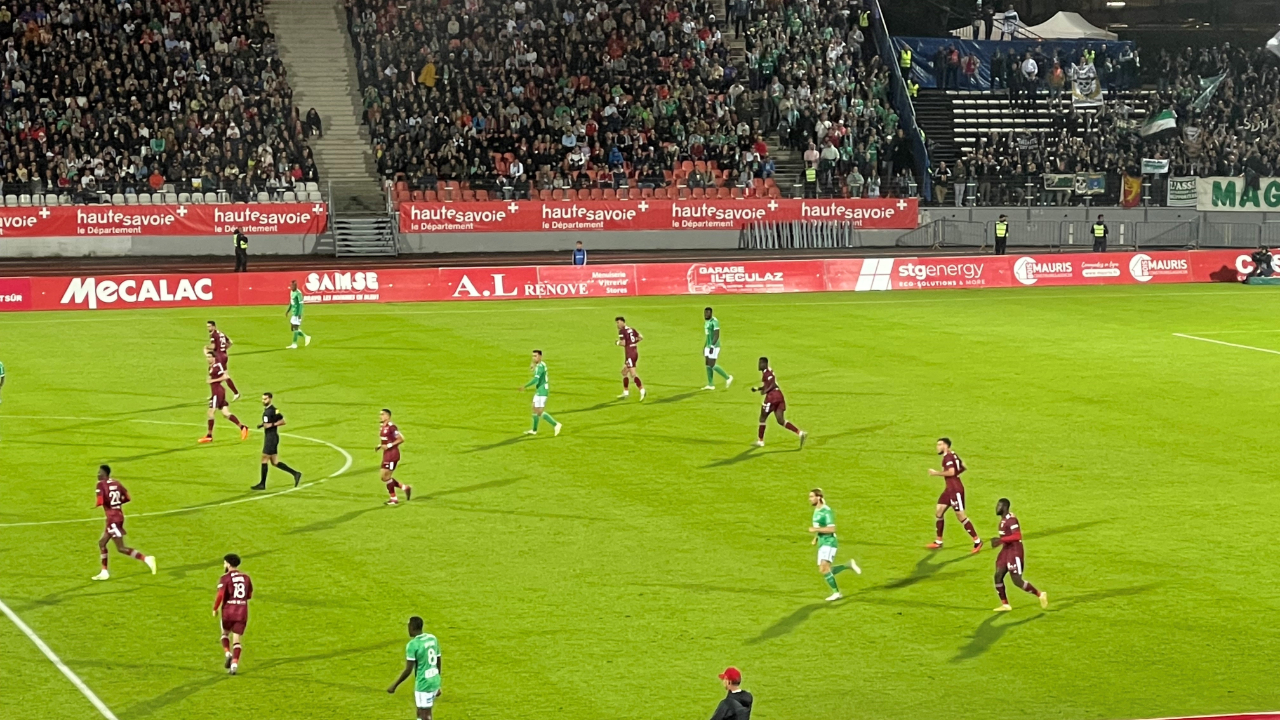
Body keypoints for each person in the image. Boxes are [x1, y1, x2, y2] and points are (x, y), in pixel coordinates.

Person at [91, 465, 157, 580]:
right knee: (102, 543)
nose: (98, 474)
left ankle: (146, 559)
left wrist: (97, 505)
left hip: (113, 519)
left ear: (105, 474)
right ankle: (104, 572)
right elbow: (127, 497)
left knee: (121, 548)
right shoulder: (117, 483)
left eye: (100, 472)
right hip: (117, 517)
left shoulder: (101, 484)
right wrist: (117, 504)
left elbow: (100, 501)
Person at [990, 498, 1049, 612]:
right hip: (1006, 550)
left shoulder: (1011, 520)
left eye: (999, 505)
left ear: (1005, 507)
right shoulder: (1003, 520)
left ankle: (1040, 594)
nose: (997, 508)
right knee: (998, 575)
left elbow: (1017, 536)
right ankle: (1005, 605)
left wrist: (1000, 540)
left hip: (1014, 551)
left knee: (1017, 580)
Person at [926, 438, 982, 552]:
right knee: (939, 511)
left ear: (945, 446)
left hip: (955, 490)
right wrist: (956, 474)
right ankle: (938, 541)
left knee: (960, 516)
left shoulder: (947, 457)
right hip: (949, 489)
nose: (937, 447)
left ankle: (977, 541)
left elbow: (951, 472)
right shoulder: (953, 455)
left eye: (939, 444)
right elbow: (963, 467)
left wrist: (936, 473)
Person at [808, 488, 860, 601]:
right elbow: (820, 527)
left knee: (824, 569)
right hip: (822, 543)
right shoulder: (817, 510)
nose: (810, 499)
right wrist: (816, 538)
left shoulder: (826, 511)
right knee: (823, 569)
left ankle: (837, 593)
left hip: (829, 542)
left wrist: (815, 530)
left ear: (819, 497)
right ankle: (848, 565)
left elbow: (832, 528)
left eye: (812, 496)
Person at [387, 616, 442, 720]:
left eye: (408, 626)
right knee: (420, 712)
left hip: (423, 684)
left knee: (425, 714)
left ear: (412, 627)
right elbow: (438, 660)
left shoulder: (413, 645)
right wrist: (438, 683)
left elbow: (408, 670)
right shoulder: (432, 639)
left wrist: (394, 685)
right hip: (434, 680)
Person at [752, 357, 806, 448]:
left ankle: (760, 441)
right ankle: (800, 433)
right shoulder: (767, 371)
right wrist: (758, 389)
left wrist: (765, 391)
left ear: (765, 364)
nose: (759, 365)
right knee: (780, 420)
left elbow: (771, 384)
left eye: (761, 363)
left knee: (762, 417)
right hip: (779, 395)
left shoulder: (767, 373)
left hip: (772, 397)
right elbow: (768, 384)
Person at [251, 393, 302, 490]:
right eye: (262, 399)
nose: (263, 401)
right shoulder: (274, 409)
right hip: (273, 437)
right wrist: (262, 425)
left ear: (270, 399)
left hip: (270, 438)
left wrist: (271, 425)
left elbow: (282, 422)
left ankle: (262, 484)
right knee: (275, 462)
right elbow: (276, 421)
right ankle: (296, 473)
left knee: (264, 460)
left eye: (265, 399)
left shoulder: (269, 411)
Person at [213, 553, 253, 674]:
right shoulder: (246, 578)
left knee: (224, 634)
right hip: (241, 612)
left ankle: (227, 653)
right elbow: (249, 595)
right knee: (237, 640)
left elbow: (220, 595)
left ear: (229, 564)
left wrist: (215, 608)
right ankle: (234, 664)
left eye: (225, 563)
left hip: (228, 612)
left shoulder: (225, 578)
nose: (224, 565)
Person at [199, 351, 249, 443]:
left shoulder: (217, 366)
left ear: (214, 357)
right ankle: (243, 427)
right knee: (226, 414)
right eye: (207, 357)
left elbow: (225, 377)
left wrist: (213, 381)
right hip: (217, 392)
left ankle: (209, 436)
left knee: (210, 412)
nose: (208, 359)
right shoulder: (211, 367)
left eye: (210, 357)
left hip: (218, 392)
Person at [522, 350, 562, 436]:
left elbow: (536, 379)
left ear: (540, 356)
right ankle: (534, 430)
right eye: (533, 356)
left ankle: (556, 424)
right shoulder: (541, 364)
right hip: (540, 390)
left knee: (539, 411)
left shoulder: (540, 367)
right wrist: (534, 365)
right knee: (534, 407)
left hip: (542, 391)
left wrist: (525, 386)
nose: (533, 357)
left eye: (535, 356)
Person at [378, 408, 412, 505]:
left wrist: (388, 446)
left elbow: (401, 439)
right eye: (380, 414)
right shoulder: (382, 426)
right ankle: (405, 488)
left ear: (388, 416)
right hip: (386, 455)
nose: (381, 416)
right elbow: (386, 440)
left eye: (383, 414)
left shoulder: (391, 427)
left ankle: (394, 498)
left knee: (386, 477)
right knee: (384, 477)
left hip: (393, 455)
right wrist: (380, 446)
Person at [206, 320, 240, 400]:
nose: (208, 328)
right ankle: (214, 395)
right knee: (215, 374)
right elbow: (230, 342)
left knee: (219, 375)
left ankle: (236, 393)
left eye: (209, 326)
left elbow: (213, 346)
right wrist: (224, 350)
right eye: (207, 326)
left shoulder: (213, 335)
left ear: (214, 326)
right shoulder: (221, 333)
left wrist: (206, 348)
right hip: (223, 355)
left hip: (219, 356)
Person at [702, 307, 733, 390]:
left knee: (712, 364)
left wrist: (712, 346)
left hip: (714, 346)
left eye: (707, 313)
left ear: (711, 313)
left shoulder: (714, 322)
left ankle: (728, 377)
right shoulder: (706, 322)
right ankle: (711, 384)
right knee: (707, 364)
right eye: (705, 313)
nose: (705, 314)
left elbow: (716, 335)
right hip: (708, 346)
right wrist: (705, 346)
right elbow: (708, 335)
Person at [615, 317, 645, 400]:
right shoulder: (632, 329)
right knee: (624, 372)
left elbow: (623, 343)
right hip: (634, 352)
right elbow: (640, 337)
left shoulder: (622, 331)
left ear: (622, 322)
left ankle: (642, 390)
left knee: (633, 374)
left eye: (618, 322)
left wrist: (617, 343)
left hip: (630, 354)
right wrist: (632, 343)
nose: (617, 325)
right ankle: (626, 392)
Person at [286, 280, 311, 349]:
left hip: (297, 313)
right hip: (293, 313)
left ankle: (294, 344)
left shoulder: (298, 293)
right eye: (291, 285)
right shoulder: (291, 292)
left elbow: (301, 304)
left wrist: (299, 314)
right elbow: (291, 302)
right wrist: (288, 310)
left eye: (293, 285)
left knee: (296, 328)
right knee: (292, 328)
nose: (292, 287)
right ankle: (306, 336)